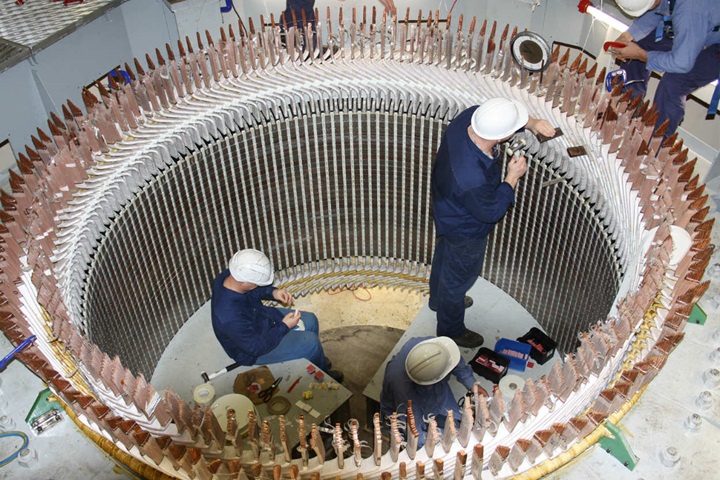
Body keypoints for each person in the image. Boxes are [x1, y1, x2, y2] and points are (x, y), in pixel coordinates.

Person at [429, 98, 556, 348]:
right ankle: (450, 329)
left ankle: (438, 300)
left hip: (447, 211)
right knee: (459, 279)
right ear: (503, 136)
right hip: (466, 230)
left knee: (444, 258)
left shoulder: (466, 121)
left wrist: (531, 124)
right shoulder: (470, 178)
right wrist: (512, 178)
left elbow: (489, 115)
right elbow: (490, 212)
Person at [211, 248, 343, 382]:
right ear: (244, 282)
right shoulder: (229, 316)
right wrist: (284, 326)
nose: (258, 285)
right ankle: (322, 375)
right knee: (312, 344)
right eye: (256, 283)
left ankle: (316, 360)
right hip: (255, 348)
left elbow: (252, 291)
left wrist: (273, 293)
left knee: (311, 320)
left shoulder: (232, 275)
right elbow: (256, 347)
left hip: (260, 317)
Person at [610, 0, 720, 136]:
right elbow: (658, 9)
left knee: (673, 83)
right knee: (637, 43)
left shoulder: (689, 9)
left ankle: (653, 144)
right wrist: (626, 37)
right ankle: (628, 106)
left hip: (715, 43)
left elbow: (682, 63)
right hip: (695, 24)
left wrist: (639, 54)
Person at [380, 336, 487, 446]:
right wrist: (439, 443)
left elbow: (454, 360)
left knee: (458, 424)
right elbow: (417, 435)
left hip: (439, 394)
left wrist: (473, 385)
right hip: (415, 408)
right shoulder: (403, 394)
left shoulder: (430, 348)